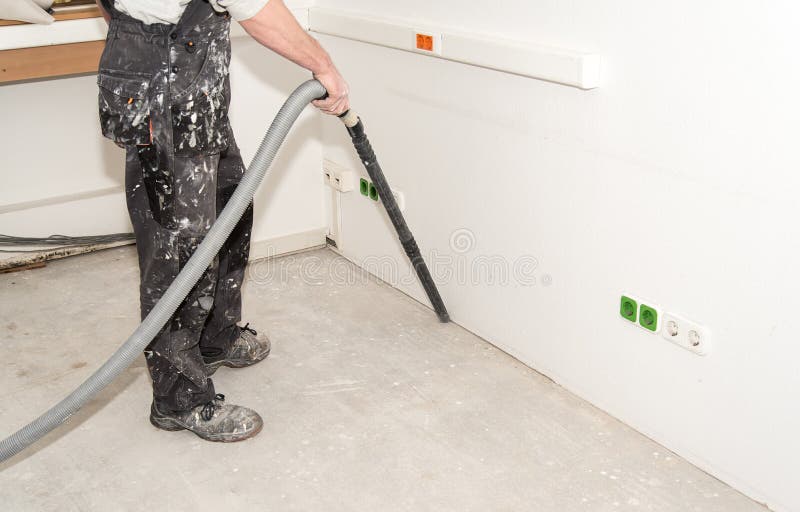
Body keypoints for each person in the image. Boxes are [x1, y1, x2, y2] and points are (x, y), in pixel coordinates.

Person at [94, 0, 349, 443]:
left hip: (187, 84)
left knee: (230, 209)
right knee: (181, 251)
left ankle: (215, 337)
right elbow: (259, 10)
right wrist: (324, 67)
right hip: (164, 89)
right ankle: (179, 398)